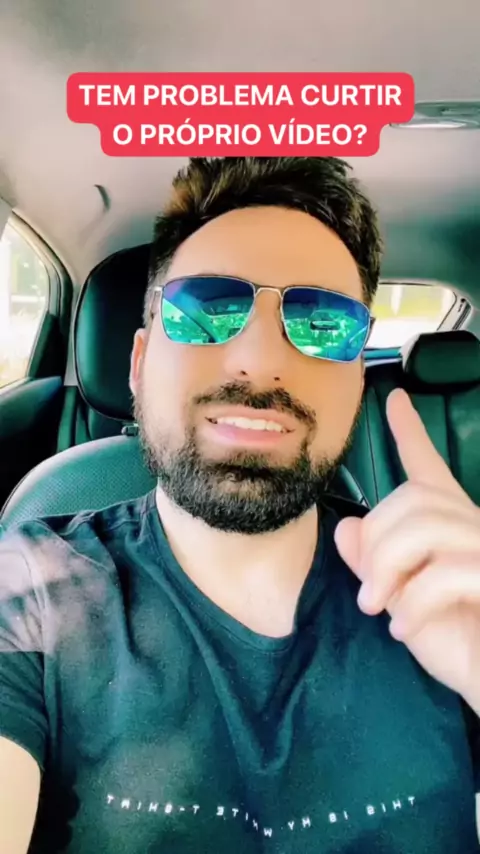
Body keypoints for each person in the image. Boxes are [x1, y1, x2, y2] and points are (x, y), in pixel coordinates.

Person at [0, 156, 480, 854]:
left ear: (357, 378)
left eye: (322, 322)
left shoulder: (451, 596)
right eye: (204, 310)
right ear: (139, 365)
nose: (260, 360)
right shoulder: (30, 587)